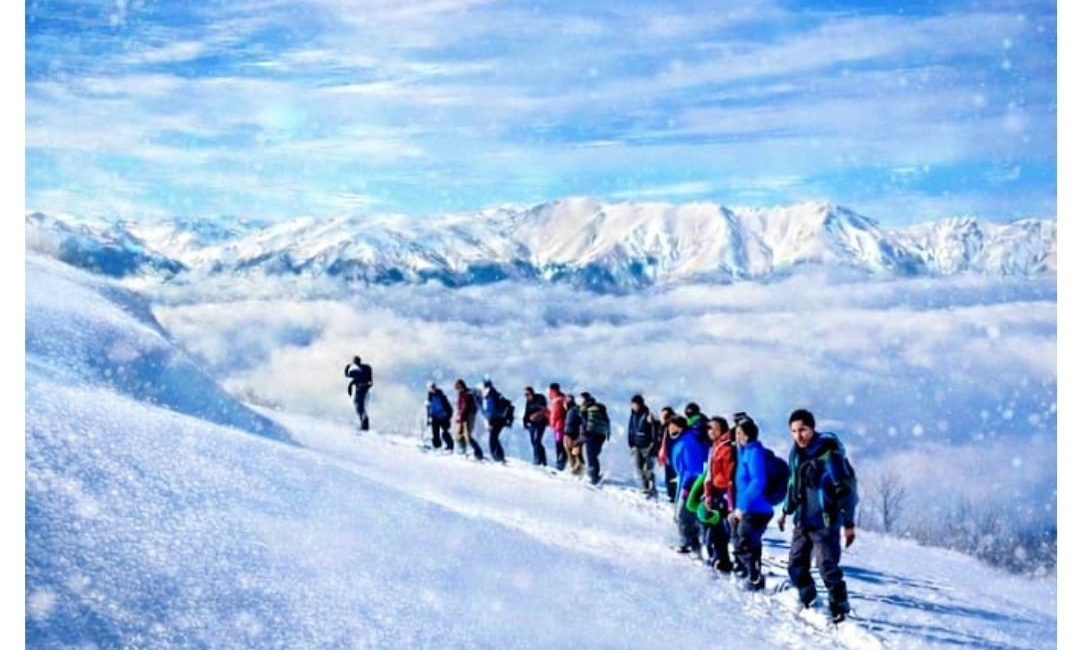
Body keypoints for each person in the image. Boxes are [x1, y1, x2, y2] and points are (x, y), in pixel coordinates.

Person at [778, 409, 859, 622]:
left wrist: (848, 523)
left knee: (827, 567)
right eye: (794, 431)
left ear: (812, 429)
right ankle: (808, 597)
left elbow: (844, 491)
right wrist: (786, 511)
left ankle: (839, 606)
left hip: (825, 522)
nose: (798, 435)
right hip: (802, 520)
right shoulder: (795, 454)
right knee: (795, 566)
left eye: (803, 430)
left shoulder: (828, 454)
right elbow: (793, 485)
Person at [729, 414, 774, 591]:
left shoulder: (754, 453)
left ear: (747, 436)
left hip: (757, 508)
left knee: (744, 540)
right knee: (746, 540)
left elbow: (759, 481)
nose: (737, 437)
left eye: (739, 433)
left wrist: (742, 506)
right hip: (749, 507)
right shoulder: (746, 451)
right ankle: (750, 572)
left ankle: (754, 576)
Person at [670, 414, 710, 555]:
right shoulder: (685, 439)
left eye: (672, 425)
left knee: (683, 514)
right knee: (685, 514)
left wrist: (687, 487)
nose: (669, 428)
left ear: (679, 427)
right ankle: (690, 544)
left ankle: (689, 544)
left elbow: (694, 468)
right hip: (687, 481)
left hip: (690, 483)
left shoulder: (689, 441)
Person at [702, 416, 736, 571]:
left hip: (723, 492)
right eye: (709, 428)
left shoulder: (726, 448)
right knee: (715, 527)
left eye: (714, 428)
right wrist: (708, 492)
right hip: (715, 491)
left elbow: (729, 477)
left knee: (721, 529)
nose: (710, 431)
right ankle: (718, 557)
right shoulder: (715, 447)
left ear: (722, 430)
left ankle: (723, 560)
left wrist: (728, 499)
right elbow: (709, 473)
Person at [627, 394, 658, 497]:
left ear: (640, 404)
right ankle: (645, 487)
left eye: (635, 404)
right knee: (638, 468)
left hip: (647, 446)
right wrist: (631, 444)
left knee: (648, 469)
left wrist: (653, 444)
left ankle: (651, 488)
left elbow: (654, 431)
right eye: (632, 404)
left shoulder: (648, 415)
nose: (633, 406)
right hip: (636, 446)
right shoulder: (633, 415)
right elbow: (631, 430)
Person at [579, 392, 610, 485]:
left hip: (591, 433)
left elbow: (584, 422)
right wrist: (608, 434)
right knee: (594, 455)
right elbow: (607, 421)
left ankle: (594, 476)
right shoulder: (600, 408)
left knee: (591, 455)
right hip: (602, 434)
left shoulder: (586, 408)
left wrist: (583, 434)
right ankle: (594, 473)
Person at [480, 379, 512, 463]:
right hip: (500, 419)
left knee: (492, 439)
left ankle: (498, 458)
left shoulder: (491, 396)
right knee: (494, 437)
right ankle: (499, 457)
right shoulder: (495, 394)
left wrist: (490, 422)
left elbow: (492, 411)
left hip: (496, 420)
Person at [452, 379, 484, 460]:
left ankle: (479, 454)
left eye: (457, 387)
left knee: (467, 436)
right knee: (460, 435)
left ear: (460, 386)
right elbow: (460, 407)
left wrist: (461, 417)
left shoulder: (467, 394)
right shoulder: (461, 394)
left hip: (468, 418)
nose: (456, 389)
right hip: (464, 418)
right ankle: (462, 451)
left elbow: (465, 408)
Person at [656, 406, 678, 503]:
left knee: (674, 476)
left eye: (666, 415)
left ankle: (675, 495)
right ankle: (671, 495)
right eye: (663, 415)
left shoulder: (675, 426)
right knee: (668, 476)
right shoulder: (663, 426)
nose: (663, 417)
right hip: (667, 455)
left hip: (674, 455)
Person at [344, 356, 373, 430]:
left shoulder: (357, 371)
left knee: (358, 404)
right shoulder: (366, 367)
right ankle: (364, 422)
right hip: (365, 388)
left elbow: (347, 375)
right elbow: (353, 381)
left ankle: (364, 422)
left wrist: (348, 366)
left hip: (361, 388)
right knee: (361, 405)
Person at [523, 386, 550, 466]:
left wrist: (536, 415)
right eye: (525, 395)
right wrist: (525, 422)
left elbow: (544, 409)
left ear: (532, 393)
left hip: (541, 423)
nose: (527, 396)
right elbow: (526, 413)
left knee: (537, 440)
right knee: (533, 442)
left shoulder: (540, 398)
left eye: (528, 394)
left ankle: (538, 460)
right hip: (532, 424)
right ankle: (541, 459)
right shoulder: (528, 402)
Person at [425, 382, 454, 450]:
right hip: (435, 417)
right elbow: (429, 408)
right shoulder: (430, 397)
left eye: (433, 387)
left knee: (445, 432)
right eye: (431, 387)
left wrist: (448, 415)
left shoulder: (441, 396)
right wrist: (429, 418)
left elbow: (448, 406)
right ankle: (437, 447)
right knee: (435, 433)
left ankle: (450, 446)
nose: (432, 389)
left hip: (443, 416)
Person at [563, 394, 585, 475]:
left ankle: (580, 472)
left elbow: (582, 421)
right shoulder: (571, 410)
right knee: (573, 454)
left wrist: (581, 434)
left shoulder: (575, 409)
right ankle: (576, 471)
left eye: (566, 401)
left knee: (576, 454)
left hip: (573, 435)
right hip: (569, 434)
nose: (565, 403)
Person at [548, 384, 568, 470]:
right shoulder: (561, 398)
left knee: (559, 444)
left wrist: (552, 423)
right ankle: (561, 461)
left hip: (559, 426)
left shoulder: (556, 400)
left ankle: (560, 463)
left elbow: (555, 414)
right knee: (560, 443)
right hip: (561, 426)